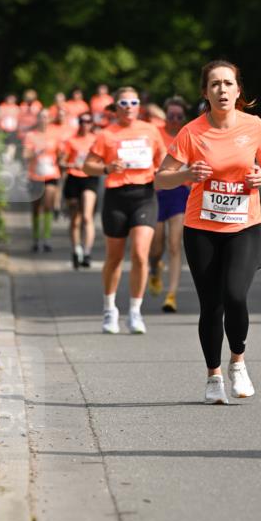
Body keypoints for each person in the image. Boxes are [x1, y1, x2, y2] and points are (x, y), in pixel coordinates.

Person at [155, 60, 261, 404]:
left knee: (235, 294)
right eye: (214, 85)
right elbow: (160, 178)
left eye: (227, 83)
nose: (222, 90)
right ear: (205, 92)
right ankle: (213, 376)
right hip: (201, 228)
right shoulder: (192, 132)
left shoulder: (255, 126)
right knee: (211, 305)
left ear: (238, 90)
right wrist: (186, 175)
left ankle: (238, 361)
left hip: (244, 225)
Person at [84, 86, 166, 335]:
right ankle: (110, 309)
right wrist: (107, 168)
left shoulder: (150, 131)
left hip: (144, 195)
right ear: (115, 107)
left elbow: (163, 160)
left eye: (133, 102)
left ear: (139, 105)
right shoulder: (106, 134)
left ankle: (135, 311)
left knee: (141, 254)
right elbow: (88, 166)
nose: (129, 107)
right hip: (116, 196)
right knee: (115, 258)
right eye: (124, 103)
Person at [148, 96, 190, 312]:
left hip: (180, 193)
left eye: (179, 116)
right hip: (156, 193)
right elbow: (148, 109)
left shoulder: (190, 135)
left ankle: (171, 294)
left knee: (174, 244)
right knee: (156, 244)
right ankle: (154, 268)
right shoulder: (155, 132)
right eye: (170, 116)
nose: (174, 120)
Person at [22, 109, 63, 252]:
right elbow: (25, 155)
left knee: (48, 205)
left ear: (49, 119)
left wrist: (63, 157)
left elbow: (61, 153)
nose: (44, 120)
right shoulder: (31, 135)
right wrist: (35, 152)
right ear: (37, 119)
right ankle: (35, 238)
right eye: (41, 117)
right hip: (35, 176)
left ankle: (46, 239)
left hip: (51, 175)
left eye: (46, 117)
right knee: (35, 208)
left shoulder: (55, 134)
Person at [60, 112, 97, 268]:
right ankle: (76, 249)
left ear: (91, 124)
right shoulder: (71, 141)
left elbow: (104, 159)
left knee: (87, 217)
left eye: (88, 121)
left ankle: (87, 252)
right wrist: (71, 165)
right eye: (82, 121)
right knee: (75, 219)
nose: (85, 124)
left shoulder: (96, 140)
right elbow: (61, 161)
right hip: (74, 178)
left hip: (90, 178)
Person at [0, 94, 19, 162]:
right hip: (3, 127)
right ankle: (0, 155)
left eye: (12, 99)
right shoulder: (2, 106)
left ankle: (10, 156)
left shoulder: (16, 108)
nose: (10, 100)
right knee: (2, 141)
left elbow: (18, 118)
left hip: (12, 128)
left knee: (11, 143)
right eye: (9, 98)